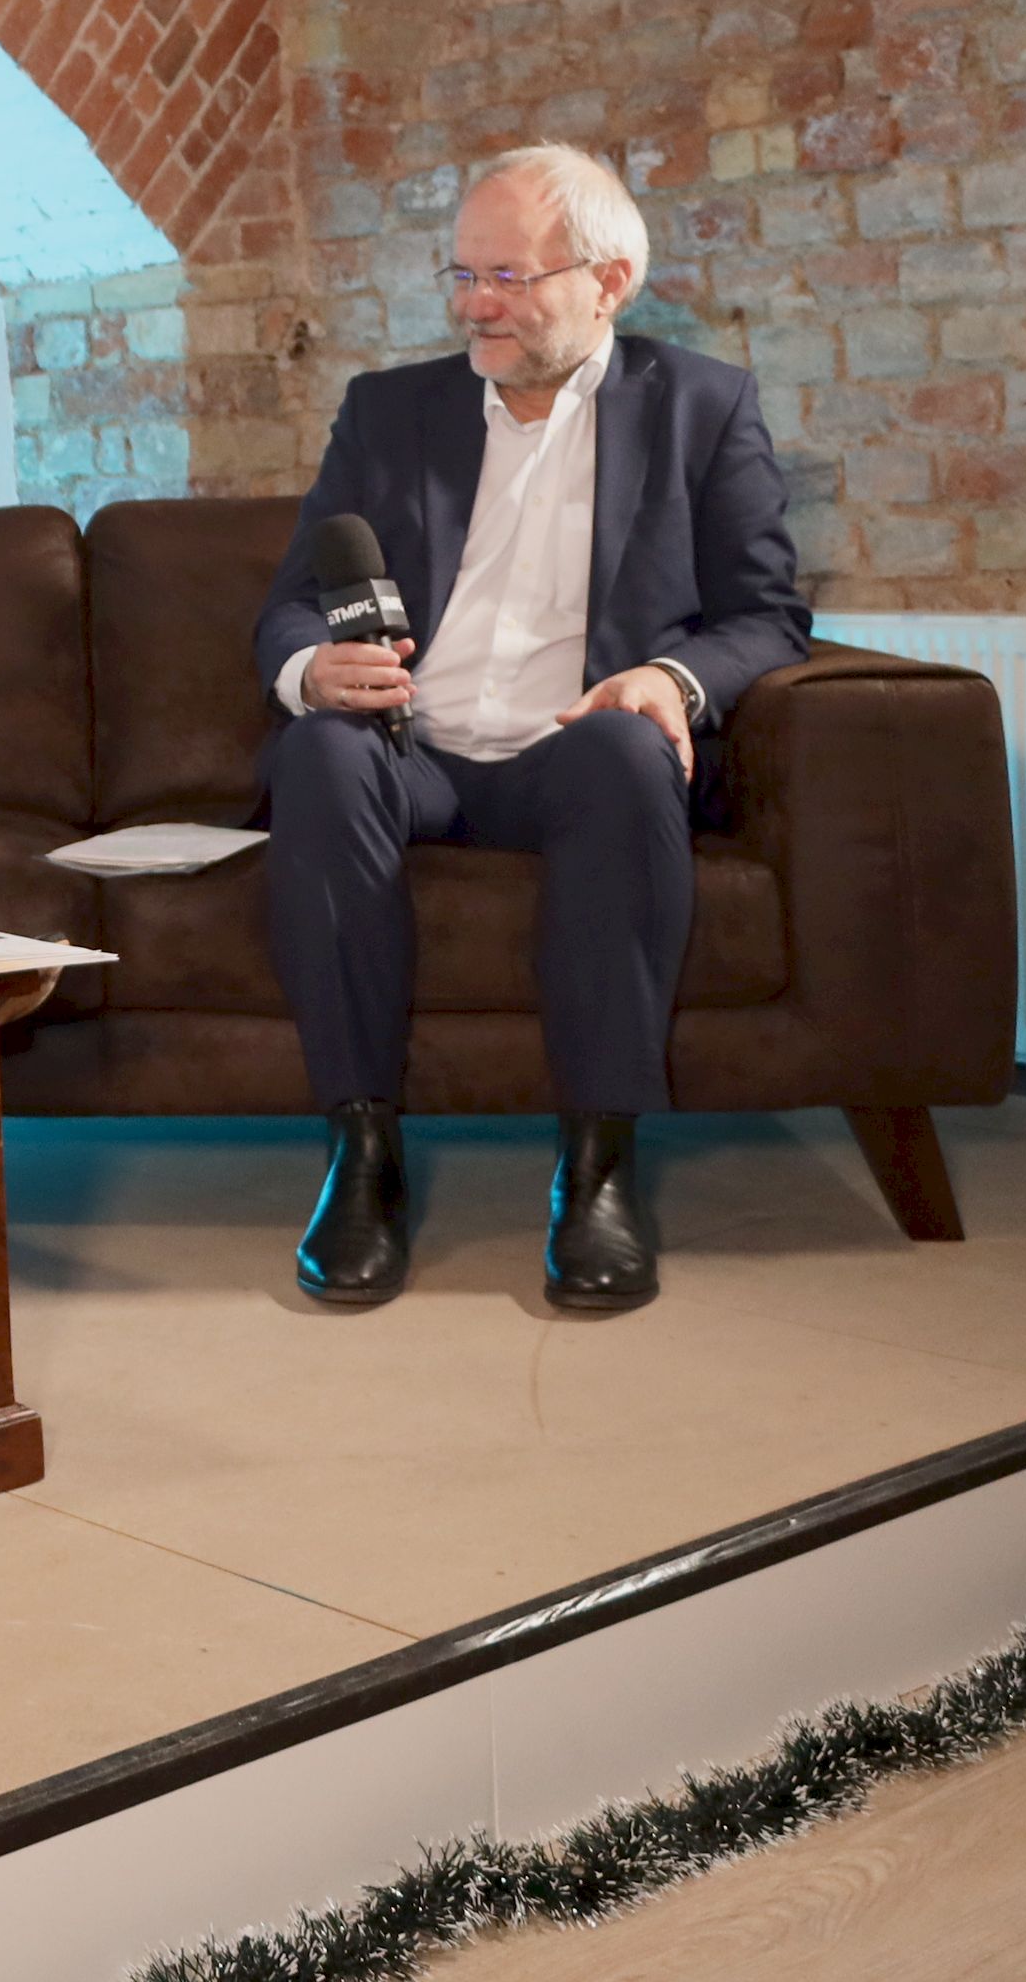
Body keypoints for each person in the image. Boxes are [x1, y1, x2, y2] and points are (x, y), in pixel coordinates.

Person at [252, 144, 810, 1316]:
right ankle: (362, 1156)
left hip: (575, 746)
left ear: (609, 282)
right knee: (317, 752)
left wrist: (668, 679)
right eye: (462, 275)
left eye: (507, 276)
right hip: (411, 750)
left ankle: (598, 1169)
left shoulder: (702, 408)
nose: (474, 304)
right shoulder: (388, 411)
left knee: (624, 748)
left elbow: (766, 618)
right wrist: (313, 668)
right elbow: (292, 602)